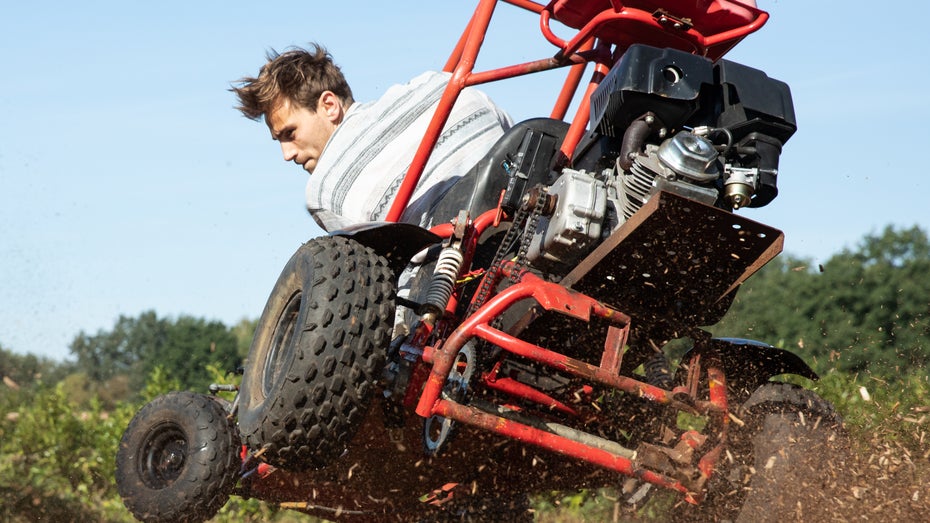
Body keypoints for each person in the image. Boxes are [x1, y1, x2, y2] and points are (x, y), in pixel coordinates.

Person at [232, 44, 513, 231]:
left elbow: (369, 282)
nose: (287, 154)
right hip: (521, 221)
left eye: (290, 133)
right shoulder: (439, 84)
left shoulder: (325, 189)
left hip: (455, 278)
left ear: (329, 106)